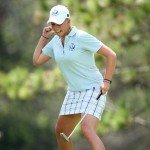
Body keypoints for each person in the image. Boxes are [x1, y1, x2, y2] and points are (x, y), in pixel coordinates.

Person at [33, 4, 116, 150]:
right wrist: (44, 37)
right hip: (74, 91)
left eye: (59, 23)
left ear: (68, 21)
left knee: (87, 129)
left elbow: (111, 55)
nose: (56, 27)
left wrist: (107, 81)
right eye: (53, 23)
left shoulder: (81, 37)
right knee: (61, 131)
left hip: (93, 88)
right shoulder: (55, 42)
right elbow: (37, 61)